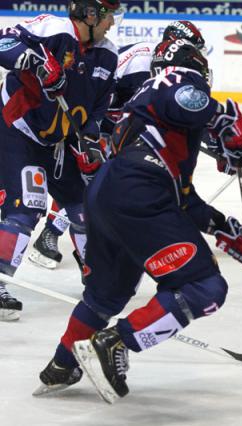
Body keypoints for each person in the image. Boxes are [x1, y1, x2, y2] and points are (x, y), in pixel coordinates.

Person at [34, 38, 242, 403]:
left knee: (104, 297)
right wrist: (228, 121)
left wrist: (228, 232)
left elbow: (184, 200)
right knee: (205, 288)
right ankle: (115, 342)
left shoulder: (145, 109)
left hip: (108, 194)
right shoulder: (177, 79)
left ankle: (63, 363)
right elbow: (189, 102)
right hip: (139, 190)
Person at [27, 20, 207, 270]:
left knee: (96, 180)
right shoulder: (144, 60)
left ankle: (64, 237)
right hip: (94, 122)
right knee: (89, 178)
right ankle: (51, 234)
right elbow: (105, 95)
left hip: (115, 124)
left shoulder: (164, 65)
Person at [0, 0, 122, 320]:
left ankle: (96, 277)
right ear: (91, 14)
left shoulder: (107, 54)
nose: (111, 23)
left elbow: (97, 110)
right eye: (108, 16)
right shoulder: (54, 29)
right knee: (29, 204)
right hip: (19, 130)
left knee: (85, 206)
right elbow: (4, 42)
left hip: (58, 142)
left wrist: (90, 142)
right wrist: (31, 60)